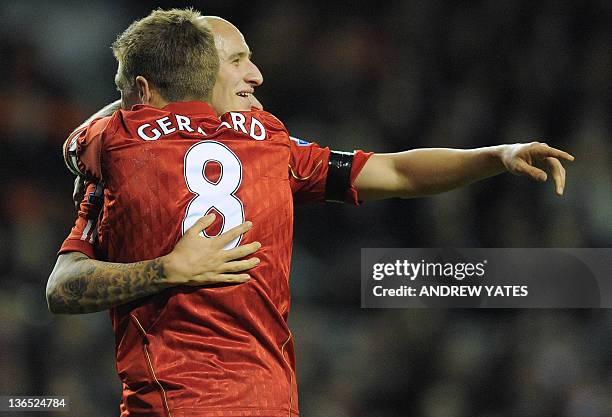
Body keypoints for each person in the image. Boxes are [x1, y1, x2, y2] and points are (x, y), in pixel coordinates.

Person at [47, 9, 574, 417]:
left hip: (221, 400)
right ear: (196, 72)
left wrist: (494, 155)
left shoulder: (112, 148)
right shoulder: (272, 142)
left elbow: (393, 173)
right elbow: (396, 174)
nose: (255, 74)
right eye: (236, 61)